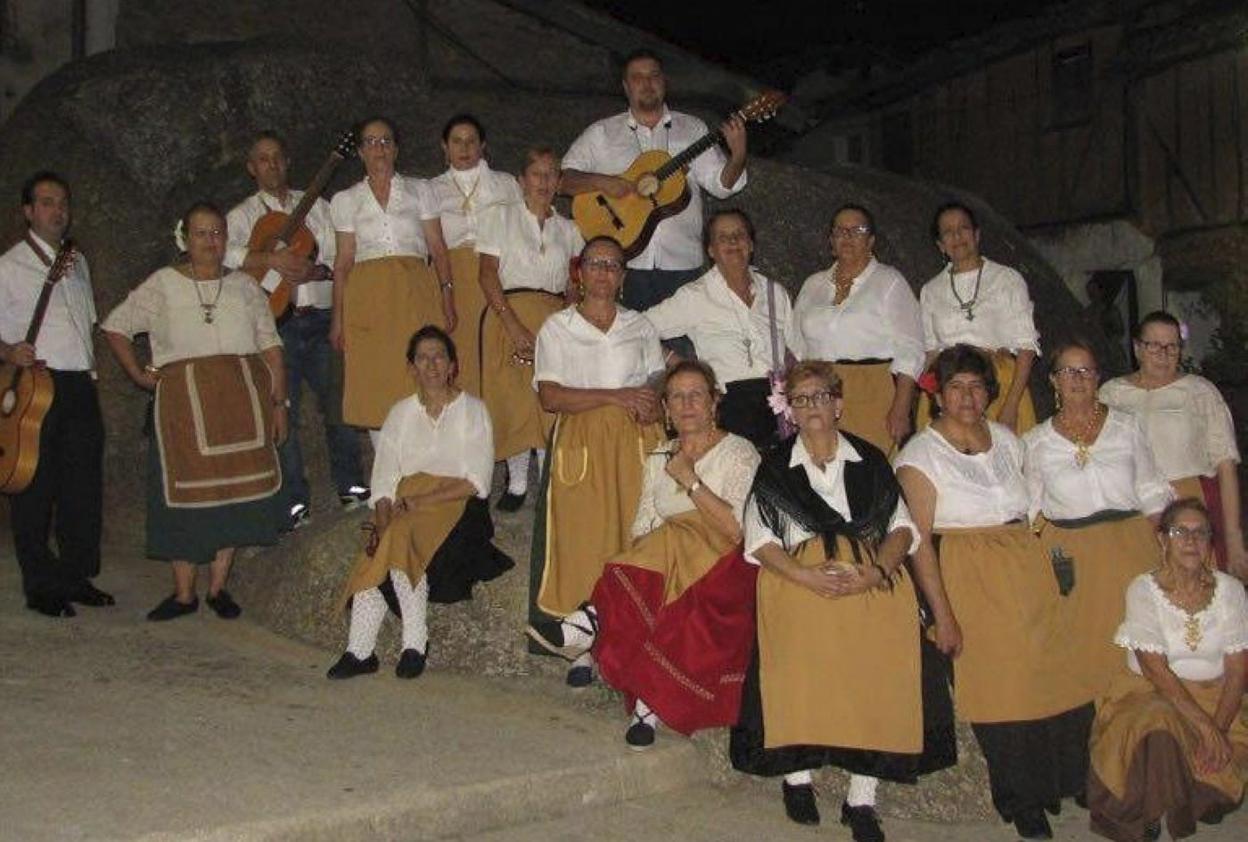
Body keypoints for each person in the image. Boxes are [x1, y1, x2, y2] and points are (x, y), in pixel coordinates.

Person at [730, 360, 955, 841]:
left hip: (866, 575)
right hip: (797, 578)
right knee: (797, 644)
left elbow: (901, 528)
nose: (811, 406)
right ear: (789, 410)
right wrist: (806, 577)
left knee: (882, 647)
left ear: (838, 404)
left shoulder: (870, 460)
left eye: (820, 396)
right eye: (801, 399)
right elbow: (761, 540)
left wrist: (876, 572)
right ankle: (797, 777)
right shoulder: (775, 465)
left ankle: (861, 798)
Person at [895, 344, 1095, 840]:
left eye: (977, 386)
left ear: (989, 392)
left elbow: (1035, 507)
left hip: (1024, 561)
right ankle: (1022, 798)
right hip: (967, 568)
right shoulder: (920, 453)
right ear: (938, 395)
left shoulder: (1007, 440)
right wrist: (942, 614)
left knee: (1054, 666)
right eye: (956, 386)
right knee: (1000, 684)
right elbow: (919, 542)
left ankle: (1066, 780)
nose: (967, 396)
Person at [527, 361, 760, 747]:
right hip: (674, 563)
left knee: (679, 530)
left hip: (726, 568)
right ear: (665, 408)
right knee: (659, 556)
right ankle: (645, 704)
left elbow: (736, 529)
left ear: (714, 402)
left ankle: (590, 621)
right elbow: (643, 526)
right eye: (676, 397)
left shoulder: (738, 451)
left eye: (696, 395)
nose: (686, 404)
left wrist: (690, 480)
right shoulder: (658, 456)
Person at [102, 202, 286, 621]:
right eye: (201, 233)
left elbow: (272, 347)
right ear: (185, 239)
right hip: (182, 406)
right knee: (182, 499)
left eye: (217, 233)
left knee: (233, 496)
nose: (210, 241)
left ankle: (218, 588)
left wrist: (279, 404)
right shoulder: (163, 284)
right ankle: (184, 594)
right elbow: (116, 326)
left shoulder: (245, 286)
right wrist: (138, 374)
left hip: (241, 404)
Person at [327, 326, 513, 680]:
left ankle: (404, 643)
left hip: (455, 504)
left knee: (397, 541)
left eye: (439, 356)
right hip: (405, 503)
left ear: (453, 365)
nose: (431, 365)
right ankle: (368, 650)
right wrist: (384, 517)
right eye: (423, 358)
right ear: (411, 367)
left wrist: (418, 502)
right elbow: (384, 477)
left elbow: (476, 480)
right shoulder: (400, 412)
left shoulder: (473, 410)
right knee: (384, 545)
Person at [530, 235, 665, 687]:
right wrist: (615, 396)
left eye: (612, 265)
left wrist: (650, 399)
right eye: (595, 263)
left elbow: (654, 378)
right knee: (582, 540)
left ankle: (630, 641)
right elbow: (550, 396)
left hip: (634, 440)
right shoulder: (558, 327)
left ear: (623, 276)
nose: (604, 272)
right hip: (583, 440)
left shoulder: (640, 325)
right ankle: (581, 647)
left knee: (634, 536)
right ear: (580, 272)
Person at [560, 48, 748, 353]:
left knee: (683, 358)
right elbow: (564, 179)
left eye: (653, 76)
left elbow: (722, 186)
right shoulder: (602, 133)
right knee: (624, 353)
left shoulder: (693, 130)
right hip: (624, 267)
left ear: (664, 82)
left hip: (682, 268)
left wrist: (737, 155)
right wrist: (605, 182)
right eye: (637, 77)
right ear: (626, 87)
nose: (646, 83)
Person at [226, 130, 368, 532]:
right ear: (251, 168)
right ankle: (293, 503)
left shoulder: (318, 206)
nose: (271, 165)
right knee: (281, 411)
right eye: (263, 159)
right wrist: (268, 259)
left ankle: (352, 486)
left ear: (287, 162)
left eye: (277, 157)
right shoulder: (242, 215)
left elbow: (342, 255)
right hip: (275, 327)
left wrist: (315, 270)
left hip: (321, 316)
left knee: (339, 403)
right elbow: (222, 254)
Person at [1087, 498, 1248, 842]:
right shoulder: (1142, 590)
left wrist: (1218, 730)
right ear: (1162, 540)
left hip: (1214, 698)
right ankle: (1150, 812)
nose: (1191, 540)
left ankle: (1194, 796)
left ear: (1210, 542)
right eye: (1180, 532)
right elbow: (1155, 669)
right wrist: (1205, 728)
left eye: (1200, 533)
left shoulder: (1230, 591)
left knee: (1217, 788)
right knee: (1158, 720)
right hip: (1149, 692)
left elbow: (1237, 671)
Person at [1024, 340, 1174, 700]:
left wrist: (1167, 546)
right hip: (1074, 553)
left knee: (1143, 637)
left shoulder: (1126, 426)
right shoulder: (1035, 442)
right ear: (1053, 380)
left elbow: (1152, 488)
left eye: (1086, 370)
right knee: (1088, 644)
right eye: (1068, 371)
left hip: (1132, 545)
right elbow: (1030, 509)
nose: (1077, 378)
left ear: (1097, 378)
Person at [0, 171, 110, 617]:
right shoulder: (9, 266)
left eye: (62, 202)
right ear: (28, 211)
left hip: (79, 383)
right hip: (37, 386)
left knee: (82, 485)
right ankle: (41, 585)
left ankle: (74, 575)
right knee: (35, 486)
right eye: (46, 202)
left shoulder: (77, 262)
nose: (57, 210)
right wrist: (9, 351)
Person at [329, 116, 456, 434]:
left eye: (386, 141)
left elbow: (438, 248)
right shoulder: (346, 200)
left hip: (414, 290)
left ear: (396, 149)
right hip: (368, 295)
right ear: (360, 152)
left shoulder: (420, 190)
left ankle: (425, 454)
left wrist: (447, 296)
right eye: (371, 142)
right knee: (376, 377)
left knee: (421, 369)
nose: (379, 148)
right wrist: (338, 319)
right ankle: (385, 460)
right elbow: (343, 262)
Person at [1099, 311, 1247, 580]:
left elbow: (1225, 465)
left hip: (1190, 504)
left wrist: (1234, 540)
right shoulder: (1112, 393)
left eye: (1172, 347)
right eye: (1154, 346)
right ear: (1137, 348)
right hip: (1132, 509)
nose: (1163, 355)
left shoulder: (1200, 391)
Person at [476, 146, 581, 510]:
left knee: (548, 398)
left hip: (553, 319)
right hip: (507, 314)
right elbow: (487, 274)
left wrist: (569, 323)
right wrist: (513, 324)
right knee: (514, 399)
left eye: (551, 174)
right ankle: (518, 482)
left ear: (559, 181)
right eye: (536, 174)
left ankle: (548, 482)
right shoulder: (500, 216)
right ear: (521, 180)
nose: (544, 181)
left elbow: (573, 285)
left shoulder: (570, 229)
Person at [642, 209, 793, 450]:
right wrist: (678, 363)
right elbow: (639, 330)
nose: (732, 241)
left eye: (739, 235)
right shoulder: (695, 295)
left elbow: (794, 351)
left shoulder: (775, 292)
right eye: (723, 237)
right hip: (727, 406)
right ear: (711, 250)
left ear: (751, 244)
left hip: (777, 410)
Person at [790, 204, 924, 455]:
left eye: (857, 230)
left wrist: (901, 407)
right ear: (831, 241)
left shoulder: (889, 281)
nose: (848, 236)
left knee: (871, 464)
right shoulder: (813, 284)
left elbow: (911, 348)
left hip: (872, 390)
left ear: (871, 240)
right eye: (840, 231)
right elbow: (796, 346)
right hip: (818, 393)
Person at [918, 201, 1040, 434]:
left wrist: (1011, 405)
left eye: (963, 228)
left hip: (998, 385)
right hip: (949, 387)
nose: (957, 236)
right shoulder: (931, 290)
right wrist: (929, 394)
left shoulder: (1006, 279)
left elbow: (1026, 347)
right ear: (940, 245)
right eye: (948, 232)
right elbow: (931, 350)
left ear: (976, 234)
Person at [429, 114, 523, 398]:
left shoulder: (506, 183)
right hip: (454, 278)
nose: (464, 148)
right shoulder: (431, 189)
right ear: (444, 147)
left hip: (498, 273)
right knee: (461, 353)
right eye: (457, 141)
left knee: (499, 349)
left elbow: (520, 228)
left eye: (471, 141)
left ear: (483, 145)